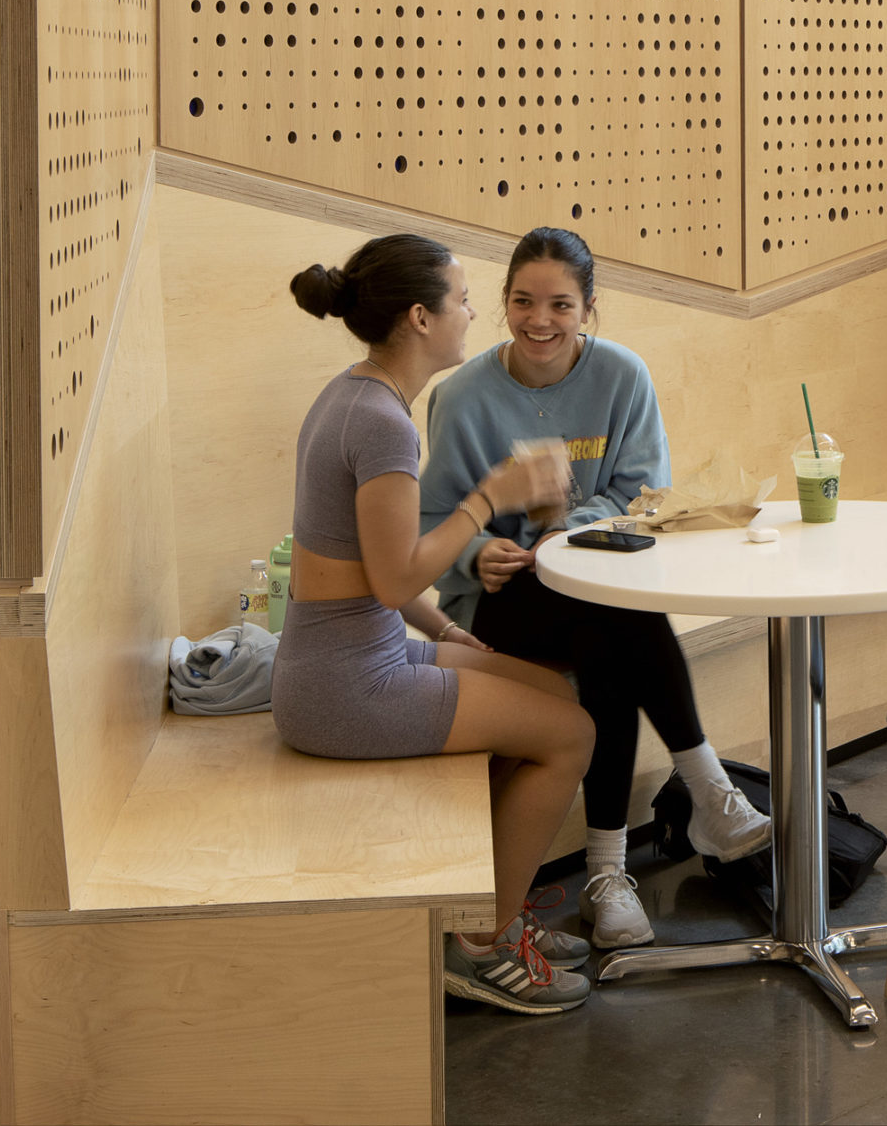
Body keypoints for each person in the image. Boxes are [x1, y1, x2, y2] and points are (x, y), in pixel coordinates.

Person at [421, 226, 770, 951]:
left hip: (593, 590)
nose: (539, 321)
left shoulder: (621, 376)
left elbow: (643, 492)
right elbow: (430, 524)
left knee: (604, 626)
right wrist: (479, 553)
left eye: (559, 305)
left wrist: (568, 533)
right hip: (500, 605)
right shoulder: (461, 397)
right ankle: (702, 794)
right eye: (522, 302)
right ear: (503, 303)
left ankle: (612, 876)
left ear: (589, 308)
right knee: (615, 617)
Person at [278, 234, 596, 1016]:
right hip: (351, 687)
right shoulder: (383, 424)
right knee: (573, 737)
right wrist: (492, 496)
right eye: (460, 299)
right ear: (420, 318)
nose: (473, 312)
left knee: (549, 690)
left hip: (348, 660)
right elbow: (395, 573)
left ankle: (478, 908)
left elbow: (365, 569)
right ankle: (483, 945)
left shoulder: (354, 395)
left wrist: (445, 631)